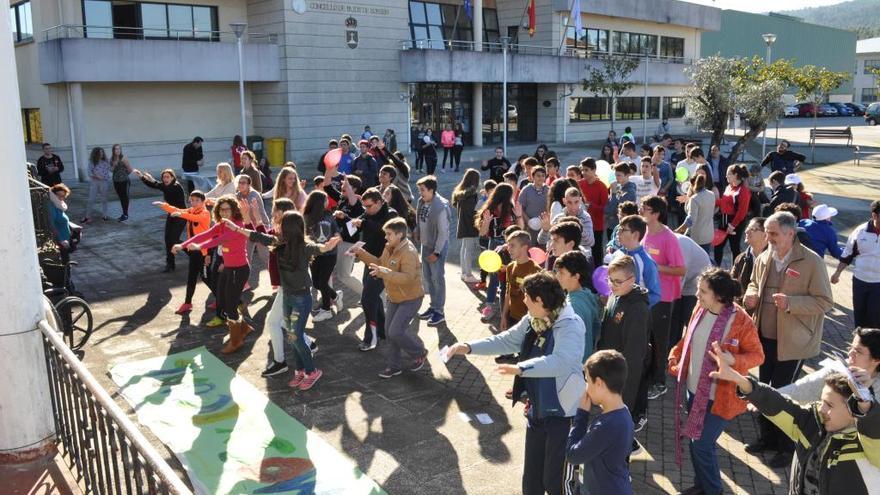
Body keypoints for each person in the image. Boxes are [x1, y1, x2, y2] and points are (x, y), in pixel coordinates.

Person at [447, 272, 586, 495]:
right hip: (537, 410)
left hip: (563, 414)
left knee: (557, 482)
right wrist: (469, 346)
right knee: (531, 481)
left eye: (527, 297)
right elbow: (507, 340)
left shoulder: (570, 325)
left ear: (540, 301)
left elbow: (561, 362)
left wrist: (522, 368)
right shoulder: (534, 319)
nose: (523, 301)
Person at [708, 346, 879, 495]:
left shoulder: (868, 446)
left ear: (853, 410)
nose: (821, 409)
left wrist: (866, 406)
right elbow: (780, 404)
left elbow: (874, 433)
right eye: (821, 401)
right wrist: (741, 381)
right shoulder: (812, 423)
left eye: (829, 405)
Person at [743, 211, 834, 467]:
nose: (768, 238)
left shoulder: (812, 262)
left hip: (793, 342)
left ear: (790, 233)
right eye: (768, 233)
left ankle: (786, 447)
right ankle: (767, 439)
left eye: (773, 233)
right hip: (765, 336)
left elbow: (825, 302)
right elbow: (752, 282)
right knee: (765, 388)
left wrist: (792, 303)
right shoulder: (765, 256)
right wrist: (751, 295)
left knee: (786, 394)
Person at [667, 268, 764, 495]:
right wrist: (676, 356)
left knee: (701, 444)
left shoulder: (741, 321)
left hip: (722, 398)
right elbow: (688, 338)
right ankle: (701, 485)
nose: (697, 295)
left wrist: (734, 359)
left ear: (719, 296)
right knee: (694, 440)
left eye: (703, 291)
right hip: (694, 391)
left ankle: (713, 490)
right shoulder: (699, 309)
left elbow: (758, 356)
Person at [223, 211, 340, 389]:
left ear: (289, 228)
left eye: (282, 224)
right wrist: (237, 228)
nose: (277, 226)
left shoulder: (303, 247)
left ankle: (312, 371)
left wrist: (328, 246)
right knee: (292, 336)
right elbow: (258, 236)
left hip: (301, 299)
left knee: (296, 336)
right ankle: (300, 371)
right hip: (288, 299)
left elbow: (319, 248)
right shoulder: (278, 243)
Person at [355, 217, 428, 378]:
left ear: (400, 234)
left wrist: (384, 273)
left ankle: (419, 352)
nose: (385, 237)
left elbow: (408, 278)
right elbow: (380, 263)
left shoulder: (408, 252)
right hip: (394, 297)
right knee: (389, 332)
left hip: (411, 298)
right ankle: (394, 366)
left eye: (388, 234)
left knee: (395, 331)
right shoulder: (389, 247)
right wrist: (362, 254)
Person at [178, 196, 251, 349]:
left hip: (239, 270)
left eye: (227, 209)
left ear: (234, 210)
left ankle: (236, 341)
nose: (224, 212)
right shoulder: (222, 224)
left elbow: (218, 240)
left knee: (230, 307)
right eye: (221, 209)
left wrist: (198, 247)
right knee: (222, 300)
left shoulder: (237, 225)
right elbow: (204, 235)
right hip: (229, 268)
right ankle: (244, 328)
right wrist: (183, 245)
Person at [597, 255, 652, 443]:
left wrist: (622, 384)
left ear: (632, 280)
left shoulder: (637, 309)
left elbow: (634, 354)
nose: (612, 285)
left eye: (618, 281)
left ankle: (623, 458)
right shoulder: (616, 295)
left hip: (621, 376)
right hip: (609, 370)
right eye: (610, 280)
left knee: (619, 423)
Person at [566, 350, 634, 495]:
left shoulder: (606, 426)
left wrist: (581, 414)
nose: (586, 388)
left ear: (599, 383)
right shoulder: (623, 412)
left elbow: (573, 455)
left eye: (587, 381)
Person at [640, 195, 686, 401]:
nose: (641, 211)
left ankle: (659, 382)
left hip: (664, 297)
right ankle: (647, 376)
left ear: (656, 214)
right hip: (646, 294)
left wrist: (656, 268)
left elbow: (681, 270)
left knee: (659, 340)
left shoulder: (668, 238)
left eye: (645, 209)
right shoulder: (644, 232)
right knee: (645, 337)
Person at [779, 327, 880, 405]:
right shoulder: (835, 372)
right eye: (851, 348)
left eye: (858, 351)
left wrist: (865, 394)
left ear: (876, 360)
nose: (849, 354)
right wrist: (766, 396)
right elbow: (793, 392)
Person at [354, 188, 399, 351]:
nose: (366, 210)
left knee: (367, 298)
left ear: (379, 202)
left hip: (384, 264)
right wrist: (350, 220)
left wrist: (364, 223)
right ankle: (382, 330)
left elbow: (383, 230)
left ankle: (370, 337)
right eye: (364, 206)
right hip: (369, 260)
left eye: (369, 206)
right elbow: (362, 222)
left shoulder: (391, 215)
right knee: (372, 297)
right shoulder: (369, 213)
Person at [832, 200, 880, 328]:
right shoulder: (861, 231)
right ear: (874, 215)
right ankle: (859, 344)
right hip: (860, 281)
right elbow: (847, 254)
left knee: (875, 318)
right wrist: (837, 273)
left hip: (878, 284)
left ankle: (873, 346)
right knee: (860, 316)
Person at [163, 190, 212, 314]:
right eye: (192, 200)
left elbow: (192, 217)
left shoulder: (205, 213)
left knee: (207, 278)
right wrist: (164, 206)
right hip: (194, 251)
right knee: (191, 277)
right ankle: (187, 303)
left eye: (197, 200)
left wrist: (179, 214)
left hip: (203, 252)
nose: (194, 203)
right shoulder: (191, 210)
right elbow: (178, 210)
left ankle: (222, 299)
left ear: (203, 202)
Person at [414, 176, 451, 326]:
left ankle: (439, 311)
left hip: (437, 248)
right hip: (426, 244)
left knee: (437, 279)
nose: (420, 193)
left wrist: (436, 253)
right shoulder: (422, 202)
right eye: (419, 190)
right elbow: (420, 220)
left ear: (431, 190)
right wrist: (417, 230)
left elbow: (443, 233)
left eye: (422, 190)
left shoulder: (441, 207)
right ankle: (433, 306)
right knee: (428, 278)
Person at [135, 168, 187, 271]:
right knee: (168, 240)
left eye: (168, 177)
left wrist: (152, 180)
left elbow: (162, 187)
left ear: (173, 178)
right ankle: (170, 265)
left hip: (181, 216)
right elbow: (155, 185)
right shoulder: (165, 186)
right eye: (164, 177)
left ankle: (193, 251)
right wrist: (141, 177)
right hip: (172, 215)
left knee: (174, 239)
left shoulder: (176, 187)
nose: (165, 179)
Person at [554, 250, 600, 362]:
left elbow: (580, 340)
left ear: (576, 276)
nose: (557, 276)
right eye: (557, 272)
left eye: (562, 273)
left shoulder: (574, 306)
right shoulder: (586, 293)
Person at [303, 190, 340, 322]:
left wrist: (337, 237)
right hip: (315, 254)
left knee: (323, 282)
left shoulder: (329, 215)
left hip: (330, 254)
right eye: (325, 200)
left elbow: (336, 230)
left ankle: (326, 310)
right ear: (319, 202)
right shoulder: (306, 217)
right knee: (316, 283)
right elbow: (304, 235)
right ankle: (335, 296)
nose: (327, 202)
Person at [671, 233, 713, 345]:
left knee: (690, 319)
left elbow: (678, 278)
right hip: (684, 280)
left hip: (698, 283)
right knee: (674, 319)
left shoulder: (679, 244)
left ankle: (693, 350)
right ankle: (672, 350)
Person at [610, 215, 661, 307]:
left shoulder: (646, 261)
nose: (618, 233)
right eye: (618, 229)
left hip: (634, 316)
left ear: (636, 234)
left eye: (623, 230)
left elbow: (655, 294)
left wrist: (635, 306)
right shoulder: (617, 254)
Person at [330, 175, 365, 298]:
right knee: (328, 272)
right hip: (338, 242)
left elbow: (354, 227)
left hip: (349, 244)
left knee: (344, 276)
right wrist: (330, 171)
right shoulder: (343, 200)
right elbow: (327, 186)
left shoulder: (357, 204)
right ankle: (329, 301)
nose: (341, 186)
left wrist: (344, 217)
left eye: (345, 185)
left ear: (353, 189)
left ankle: (369, 296)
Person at [500, 230, 542, 331]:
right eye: (508, 245)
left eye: (512, 246)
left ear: (524, 247)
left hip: (528, 321)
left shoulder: (535, 270)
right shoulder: (510, 267)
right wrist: (504, 316)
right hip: (512, 317)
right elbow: (508, 293)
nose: (509, 249)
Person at [236, 174, 271, 290]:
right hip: (248, 229)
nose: (241, 185)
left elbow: (256, 216)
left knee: (265, 256)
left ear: (249, 185)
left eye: (243, 183)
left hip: (261, 227)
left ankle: (276, 280)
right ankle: (244, 283)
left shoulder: (254, 196)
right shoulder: (238, 196)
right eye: (239, 182)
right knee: (245, 257)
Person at [714, 165, 752, 267]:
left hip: (735, 222)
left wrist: (732, 225)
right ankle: (715, 268)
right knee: (717, 245)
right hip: (723, 220)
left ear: (735, 175)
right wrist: (710, 200)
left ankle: (737, 271)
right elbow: (724, 202)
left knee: (734, 248)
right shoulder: (728, 187)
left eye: (728, 175)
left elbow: (742, 211)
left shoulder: (743, 191)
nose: (726, 177)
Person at [453, 169, 482, 284]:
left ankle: (464, 273)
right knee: (468, 250)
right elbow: (473, 211)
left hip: (462, 223)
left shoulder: (460, 192)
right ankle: (468, 274)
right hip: (470, 225)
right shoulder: (472, 193)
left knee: (464, 248)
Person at [578, 158, 610, 265]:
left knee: (596, 252)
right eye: (582, 170)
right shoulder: (579, 184)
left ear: (594, 170)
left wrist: (592, 206)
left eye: (586, 170)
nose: (584, 173)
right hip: (581, 224)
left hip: (596, 225)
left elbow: (606, 208)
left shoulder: (602, 186)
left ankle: (598, 275)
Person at [731, 217, 768, 306]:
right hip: (744, 309)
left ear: (766, 235)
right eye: (747, 228)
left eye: (753, 229)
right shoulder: (741, 258)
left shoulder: (774, 258)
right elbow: (732, 284)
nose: (746, 231)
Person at [676, 173, 715, 255]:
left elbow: (690, 220)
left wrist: (678, 230)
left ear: (692, 184)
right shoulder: (711, 194)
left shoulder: (694, 199)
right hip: (708, 234)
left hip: (697, 237)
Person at [518, 162, 548, 242]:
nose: (541, 178)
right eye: (538, 175)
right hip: (529, 227)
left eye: (543, 176)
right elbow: (520, 208)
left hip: (544, 227)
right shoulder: (526, 190)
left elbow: (550, 207)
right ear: (533, 176)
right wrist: (529, 221)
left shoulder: (548, 190)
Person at [605, 163, 637, 238]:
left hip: (622, 227)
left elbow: (611, 210)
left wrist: (613, 193)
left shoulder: (630, 192)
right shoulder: (619, 187)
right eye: (615, 175)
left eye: (619, 175)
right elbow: (608, 207)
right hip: (612, 225)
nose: (616, 178)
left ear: (627, 175)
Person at [82, 147, 112, 224]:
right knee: (91, 200)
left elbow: (108, 171)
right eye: (99, 153)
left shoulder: (106, 161)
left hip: (104, 182)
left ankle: (104, 215)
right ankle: (87, 216)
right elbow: (89, 172)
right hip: (94, 183)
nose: (101, 154)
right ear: (96, 154)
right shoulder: (92, 162)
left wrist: (103, 177)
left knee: (104, 199)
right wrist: (96, 176)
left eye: (102, 152)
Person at [110, 144, 133, 221]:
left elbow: (130, 169)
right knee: (121, 197)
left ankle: (125, 214)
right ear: (113, 150)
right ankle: (124, 213)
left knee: (124, 197)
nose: (118, 150)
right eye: (116, 149)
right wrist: (113, 166)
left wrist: (123, 175)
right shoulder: (112, 159)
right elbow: (111, 170)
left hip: (124, 181)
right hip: (116, 181)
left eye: (119, 149)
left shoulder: (124, 159)